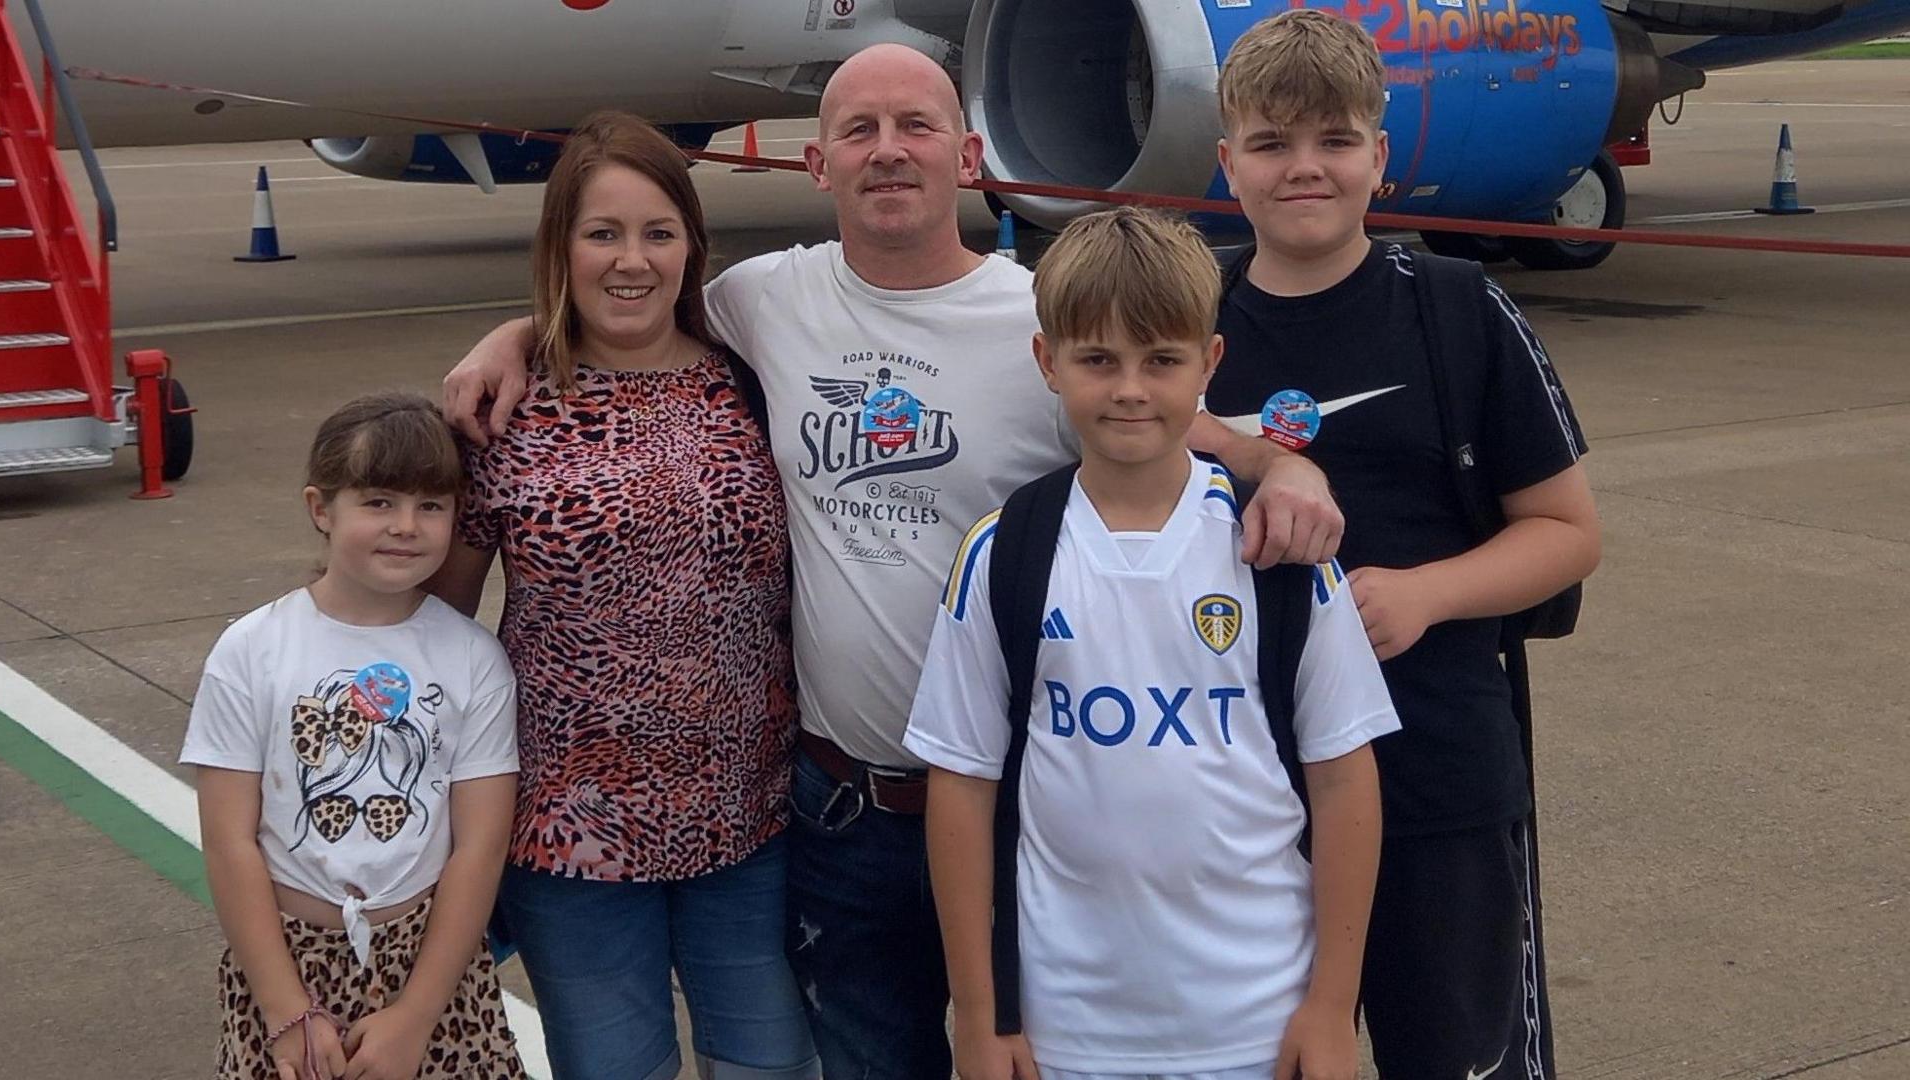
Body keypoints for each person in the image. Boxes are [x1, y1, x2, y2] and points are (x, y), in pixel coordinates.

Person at [441, 45, 1344, 1080]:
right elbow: (632, 303)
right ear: (817, 165)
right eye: (857, 131)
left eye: (914, 126)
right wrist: (515, 336)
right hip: (837, 811)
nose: (888, 153)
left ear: (965, 154)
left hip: (1024, 804)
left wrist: (1279, 466)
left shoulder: (1042, 323)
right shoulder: (763, 301)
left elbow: (1163, 413)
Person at [1191, 12, 1604, 1079]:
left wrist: (1426, 594)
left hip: (1437, 777)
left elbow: (1566, 533)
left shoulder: (1462, 312)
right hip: (1247, 801)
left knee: (1461, 1059)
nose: (1304, 169)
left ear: (1379, 156)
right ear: (1226, 162)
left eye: (1334, 141)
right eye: (1272, 145)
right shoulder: (1189, 325)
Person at [907, 207, 1397, 1080]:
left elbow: (1342, 777)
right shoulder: (1005, 552)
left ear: (1208, 364)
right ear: (1047, 362)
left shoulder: (1275, 556)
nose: (1130, 388)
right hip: (1066, 1029)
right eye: (1098, 359)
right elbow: (962, 785)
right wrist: (981, 1016)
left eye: (1161, 361)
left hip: (1255, 1019)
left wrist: (1330, 1006)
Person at [424, 112, 815, 1080]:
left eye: (657, 233)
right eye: (601, 234)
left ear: (692, 245)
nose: (630, 261)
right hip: (570, 835)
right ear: (560, 248)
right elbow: (441, 625)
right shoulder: (504, 414)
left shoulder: (754, 381)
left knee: (772, 1064)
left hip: (748, 822)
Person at [182, 392, 524, 1080]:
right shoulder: (251, 650)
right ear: (320, 509)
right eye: (378, 502)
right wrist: (288, 1013)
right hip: (284, 971)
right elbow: (229, 840)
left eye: (432, 505)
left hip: (432, 970)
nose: (406, 526)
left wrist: (417, 1015)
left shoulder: (473, 660)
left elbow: (479, 847)